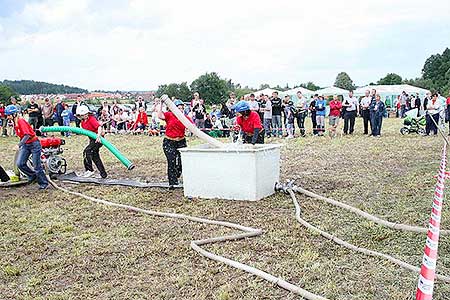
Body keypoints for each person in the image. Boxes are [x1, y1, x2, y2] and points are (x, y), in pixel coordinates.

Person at [5, 105, 49, 189]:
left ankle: (44, 183)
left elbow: (27, 135)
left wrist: (19, 145)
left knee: (37, 166)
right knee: (20, 164)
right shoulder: (15, 122)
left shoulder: (21, 121)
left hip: (34, 144)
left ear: (14, 114)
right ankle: (33, 176)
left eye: (9, 115)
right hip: (26, 145)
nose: (8, 117)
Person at [157, 99, 190, 189]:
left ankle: (177, 175)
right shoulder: (169, 115)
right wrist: (161, 104)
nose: (180, 110)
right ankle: (172, 183)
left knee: (181, 161)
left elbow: (192, 126)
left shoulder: (185, 117)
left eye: (182, 108)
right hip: (169, 142)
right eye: (178, 108)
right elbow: (160, 115)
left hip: (181, 142)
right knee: (171, 161)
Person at [76, 105, 107, 178]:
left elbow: (99, 127)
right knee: (95, 156)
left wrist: (99, 136)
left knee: (87, 151)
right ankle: (103, 174)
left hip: (98, 139)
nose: (84, 116)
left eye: (85, 114)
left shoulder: (91, 119)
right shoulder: (82, 122)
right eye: (82, 115)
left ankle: (89, 170)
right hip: (91, 139)